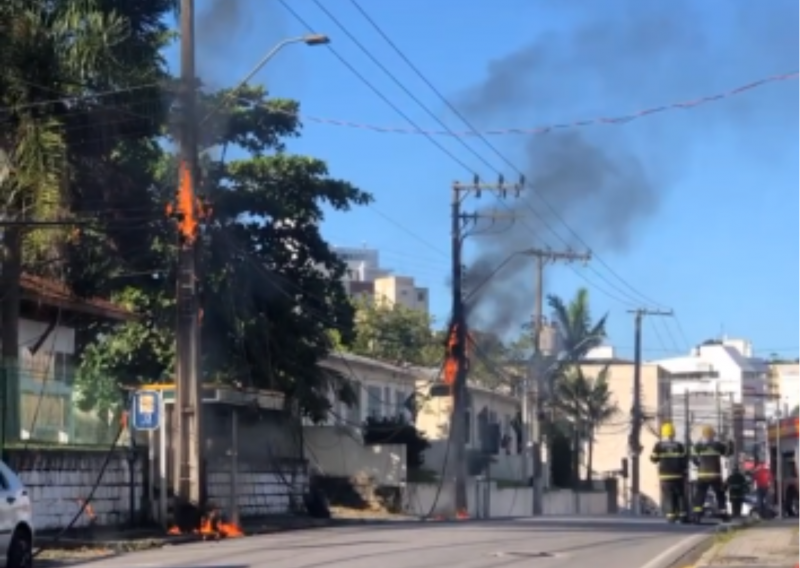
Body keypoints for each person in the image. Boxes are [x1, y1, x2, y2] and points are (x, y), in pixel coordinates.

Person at [691, 425, 733, 521]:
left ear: (703, 435)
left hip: (703, 475)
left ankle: (697, 514)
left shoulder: (699, 446)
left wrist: (698, 464)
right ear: (713, 435)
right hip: (715, 475)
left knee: (700, 495)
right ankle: (723, 513)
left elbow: (693, 458)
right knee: (720, 494)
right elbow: (728, 453)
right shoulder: (718, 445)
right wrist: (730, 443)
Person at [650, 422, 689, 523]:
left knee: (668, 496)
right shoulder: (679, 446)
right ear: (673, 433)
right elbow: (685, 460)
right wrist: (684, 471)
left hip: (665, 477)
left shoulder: (659, 446)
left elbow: (653, 459)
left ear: (663, 433)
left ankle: (671, 516)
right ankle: (683, 516)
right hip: (678, 476)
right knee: (680, 495)